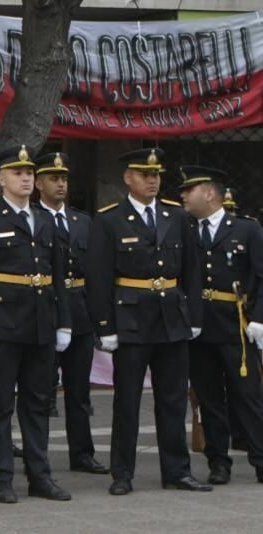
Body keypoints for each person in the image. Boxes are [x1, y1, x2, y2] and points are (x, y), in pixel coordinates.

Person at [87, 147, 211, 495]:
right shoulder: (109, 219)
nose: (152, 180)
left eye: (156, 175)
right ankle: (122, 473)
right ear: (128, 177)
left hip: (171, 317)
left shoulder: (175, 216)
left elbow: (192, 271)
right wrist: (104, 326)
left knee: (172, 400)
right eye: (144, 174)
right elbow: (98, 278)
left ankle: (177, 471)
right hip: (130, 319)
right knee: (127, 401)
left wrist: (194, 317)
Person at [0, 146, 72, 504]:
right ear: (1, 180)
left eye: (29, 172)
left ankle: (40, 476)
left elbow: (59, 275)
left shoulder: (44, 219)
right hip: (5, 323)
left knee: (38, 403)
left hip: (41, 322)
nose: (26, 178)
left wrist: (64, 323)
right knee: (0, 405)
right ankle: (1, 477)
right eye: (17, 172)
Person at [179, 164, 263, 484]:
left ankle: (259, 457)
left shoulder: (246, 229)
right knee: (209, 396)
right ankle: (218, 461)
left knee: (248, 395)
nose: (184, 195)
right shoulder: (186, 230)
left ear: (210, 192)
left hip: (235, 325)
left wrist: (259, 318)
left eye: (190, 190)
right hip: (199, 326)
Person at [34, 151, 106, 475]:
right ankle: (39, 457)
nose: (60, 183)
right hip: (45, 309)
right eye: (53, 178)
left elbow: (95, 270)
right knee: (41, 390)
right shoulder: (34, 218)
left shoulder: (82, 221)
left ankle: (82, 453)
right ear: (38, 183)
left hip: (78, 310)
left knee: (79, 390)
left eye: (63, 178)